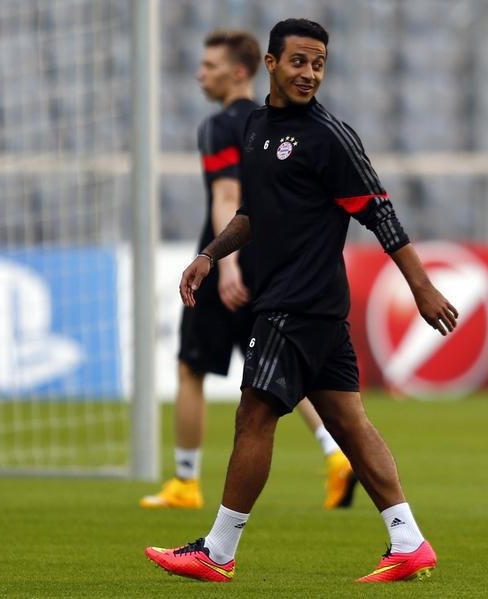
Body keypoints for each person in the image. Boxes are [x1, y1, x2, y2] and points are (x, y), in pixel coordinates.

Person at [145, 18, 458, 583]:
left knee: (254, 416)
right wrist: (210, 255)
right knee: (350, 426)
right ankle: (409, 541)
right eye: (298, 62)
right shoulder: (258, 126)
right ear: (270, 64)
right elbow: (252, 215)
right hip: (306, 306)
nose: (309, 73)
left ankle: (216, 552)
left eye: (318, 63)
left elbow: (380, 211)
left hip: (296, 303)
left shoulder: (329, 136)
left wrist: (422, 287)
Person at [139, 29, 356, 512]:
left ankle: (185, 482)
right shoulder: (277, 121)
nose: (201, 75)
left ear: (241, 71)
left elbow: (227, 198)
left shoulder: (224, 127)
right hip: (281, 261)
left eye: (210, 66)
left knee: (191, 367)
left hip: (231, 258)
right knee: (278, 373)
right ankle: (336, 454)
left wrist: (225, 264)